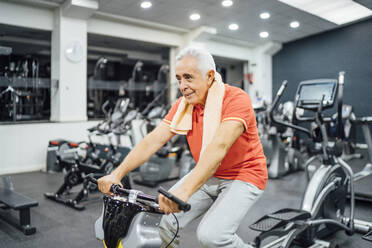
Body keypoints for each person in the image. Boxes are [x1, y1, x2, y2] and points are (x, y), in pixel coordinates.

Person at [97, 47, 267, 248]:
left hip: (244, 175)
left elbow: (219, 147)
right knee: (163, 221)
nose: (182, 86)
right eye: (179, 79)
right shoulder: (183, 105)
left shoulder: (236, 99)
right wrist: (117, 174)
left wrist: (185, 191)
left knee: (212, 236)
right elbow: (153, 140)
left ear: (210, 76)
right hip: (208, 174)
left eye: (188, 77)